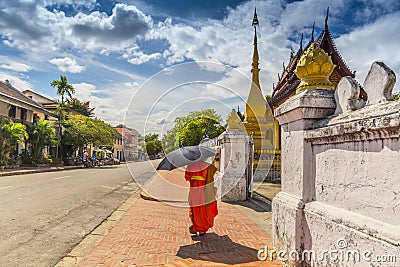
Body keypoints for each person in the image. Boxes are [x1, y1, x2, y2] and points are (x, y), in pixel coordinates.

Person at [185, 158, 219, 236]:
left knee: (194, 208)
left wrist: (194, 178)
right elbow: (213, 172)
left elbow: (187, 177)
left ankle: (197, 227)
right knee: (203, 208)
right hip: (204, 189)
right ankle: (202, 229)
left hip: (194, 190)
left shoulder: (191, 165)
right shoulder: (206, 165)